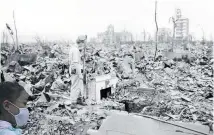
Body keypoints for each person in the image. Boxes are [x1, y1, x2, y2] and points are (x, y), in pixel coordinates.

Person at [69, 36, 86, 105]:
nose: (83, 45)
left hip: (75, 69)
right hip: (75, 70)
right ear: (80, 43)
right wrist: (80, 74)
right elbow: (76, 63)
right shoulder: (75, 50)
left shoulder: (74, 49)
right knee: (75, 85)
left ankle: (79, 99)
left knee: (79, 85)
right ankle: (73, 103)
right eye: (82, 43)